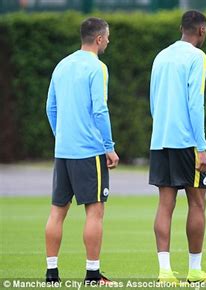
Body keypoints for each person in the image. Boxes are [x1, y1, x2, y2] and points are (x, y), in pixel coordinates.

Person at [149, 10, 206, 286]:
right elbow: (195, 103)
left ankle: (165, 272)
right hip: (186, 143)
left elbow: (154, 101)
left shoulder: (161, 56)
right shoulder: (197, 57)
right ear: (202, 31)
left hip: (160, 140)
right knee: (197, 202)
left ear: (182, 28)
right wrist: (201, 147)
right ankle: (194, 270)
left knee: (165, 205)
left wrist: (161, 129)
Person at [45, 17, 119, 284]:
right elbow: (100, 110)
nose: (108, 41)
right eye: (107, 37)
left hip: (63, 151)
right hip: (89, 151)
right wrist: (109, 147)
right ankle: (92, 274)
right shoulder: (97, 68)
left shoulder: (62, 65)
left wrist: (62, 137)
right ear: (99, 39)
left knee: (57, 211)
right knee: (95, 211)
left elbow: (50, 109)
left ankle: (52, 273)